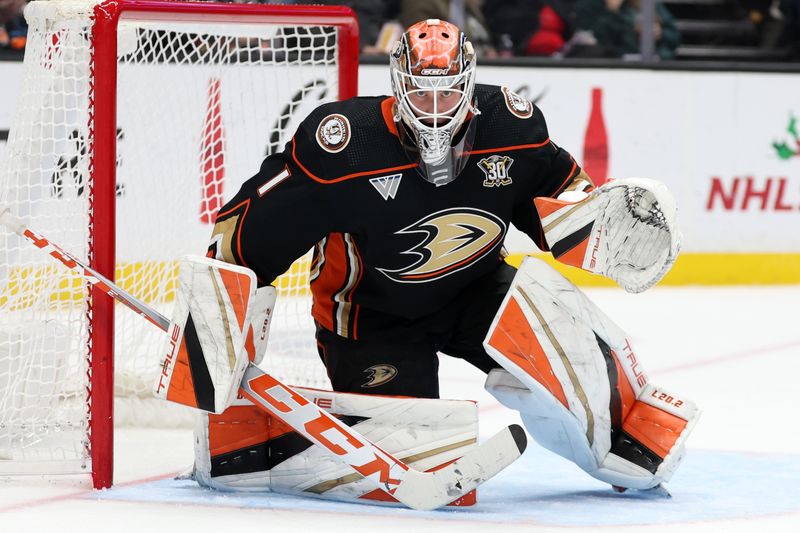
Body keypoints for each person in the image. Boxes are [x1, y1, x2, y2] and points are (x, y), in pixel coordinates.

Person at [202, 18, 697, 500]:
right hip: (370, 319)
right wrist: (213, 315)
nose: (435, 109)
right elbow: (249, 235)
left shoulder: (511, 127)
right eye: (420, 93)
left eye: (448, 93)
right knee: (416, 452)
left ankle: (618, 435)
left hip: (476, 293)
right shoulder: (344, 148)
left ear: (469, 86)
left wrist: (605, 230)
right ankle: (259, 447)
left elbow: (564, 207)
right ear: (398, 87)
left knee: (566, 333)